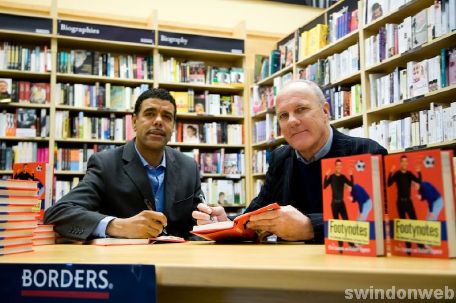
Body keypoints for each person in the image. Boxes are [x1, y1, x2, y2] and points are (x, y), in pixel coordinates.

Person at [193, 80, 387, 243]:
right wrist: (227, 224)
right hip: (289, 272)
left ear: (325, 111)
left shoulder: (365, 153)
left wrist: (311, 227)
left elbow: (381, 222)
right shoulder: (280, 158)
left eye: (301, 109)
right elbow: (257, 215)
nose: (292, 121)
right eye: (283, 116)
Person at [44, 88, 203, 240]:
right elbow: (59, 213)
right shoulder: (106, 164)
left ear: (173, 126)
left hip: (178, 260)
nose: (159, 121)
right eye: (149, 114)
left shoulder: (189, 167)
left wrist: (218, 223)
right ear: (134, 122)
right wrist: (117, 226)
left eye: (167, 116)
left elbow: (198, 225)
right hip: (125, 260)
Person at [387, 155, 423, 252]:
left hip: (408, 201)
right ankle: (408, 247)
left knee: (414, 222)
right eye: (402, 161)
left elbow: (419, 181)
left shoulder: (409, 174)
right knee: (404, 224)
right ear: (400, 163)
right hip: (400, 202)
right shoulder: (397, 174)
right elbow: (389, 183)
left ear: (407, 163)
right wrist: (391, 171)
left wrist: (419, 172)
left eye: (406, 161)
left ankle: (420, 245)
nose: (404, 163)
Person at [323, 159, 354, 248]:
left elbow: (351, 184)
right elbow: (324, 186)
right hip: (334, 204)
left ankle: (351, 243)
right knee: (337, 225)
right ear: (335, 166)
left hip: (341, 203)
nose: (339, 167)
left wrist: (351, 175)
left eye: (340, 165)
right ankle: (340, 245)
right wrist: (326, 175)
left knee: (346, 223)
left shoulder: (343, 177)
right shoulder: (332, 177)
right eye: (338, 165)